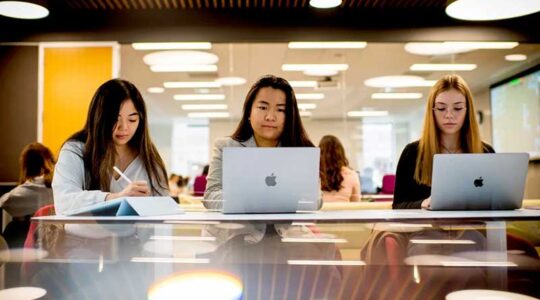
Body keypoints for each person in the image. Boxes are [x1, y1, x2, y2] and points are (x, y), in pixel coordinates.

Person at [52, 79, 169, 215]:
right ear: (100, 118)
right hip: (83, 235)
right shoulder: (75, 151)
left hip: (133, 236)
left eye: (132, 120)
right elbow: (64, 202)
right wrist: (115, 198)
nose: (124, 127)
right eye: (115, 119)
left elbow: (164, 209)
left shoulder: (148, 157)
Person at [204, 75, 315, 209]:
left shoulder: (302, 151)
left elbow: (315, 200)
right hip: (236, 229)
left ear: (290, 116)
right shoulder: (225, 147)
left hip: (284, 230)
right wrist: (255, 200)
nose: (270, 117)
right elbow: (210, 197)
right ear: (249, 113)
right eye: (263, 107)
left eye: (281, 110)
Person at [393, 74, 494, 209]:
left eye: (457, 108)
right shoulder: (412, 153)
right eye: (441, 108)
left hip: (471, 227)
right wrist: (422, 203)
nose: (449, 115)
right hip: (425, 229)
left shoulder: (486, 153)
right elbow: (398, 205)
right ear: (432, 111)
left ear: (467, 111)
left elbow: (495, 202)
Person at [0, 143, 55, 247]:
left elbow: (6, 201)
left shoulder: (30, 187)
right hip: (54, 239)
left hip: (31, 241)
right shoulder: (56, 184)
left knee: (13, 227)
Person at [319, 135, 361, 202]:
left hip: (320, 212)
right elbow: (356, 203)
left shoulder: (314, 174)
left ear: (320, 153)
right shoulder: (352, 175)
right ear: (341, 153)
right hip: (344, 212)